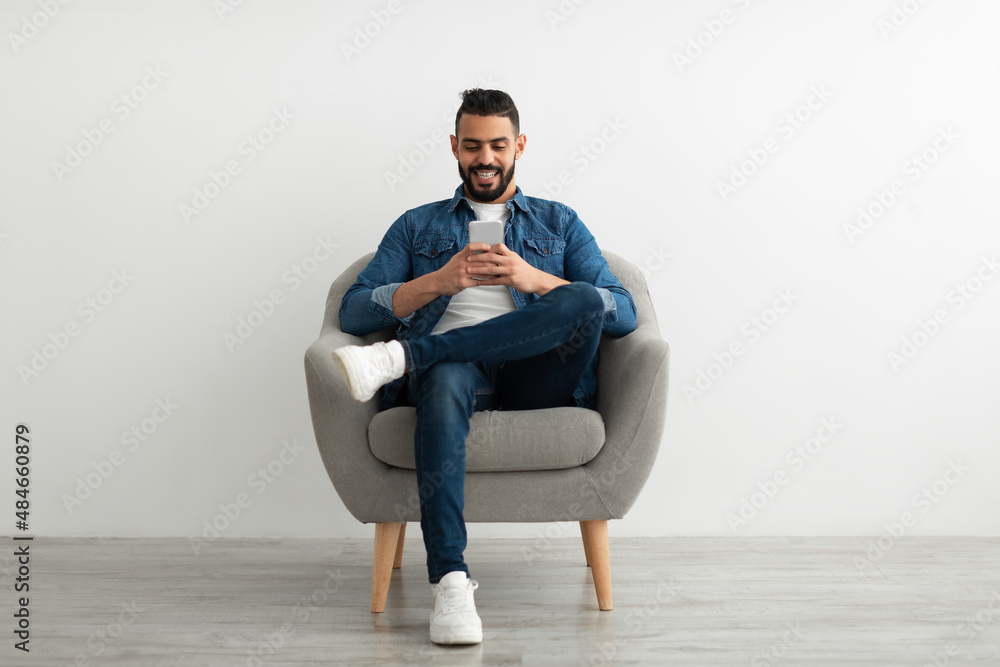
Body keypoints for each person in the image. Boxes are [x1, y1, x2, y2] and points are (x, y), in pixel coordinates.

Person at [332, 89, 636, 645]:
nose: (486, 158)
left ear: (519, 145)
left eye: (498, 145)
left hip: (538, 377)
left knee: (586, 298)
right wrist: (438, 282)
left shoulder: (559, 221)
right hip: (456, 379)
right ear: (454, 147)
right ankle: (449, 578)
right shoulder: (417, 226)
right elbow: (353, 309)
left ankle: (404, 356)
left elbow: (622, 309)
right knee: (447, 375)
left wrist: (532, 279)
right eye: (473, 146)